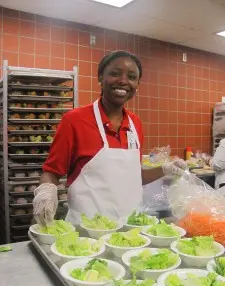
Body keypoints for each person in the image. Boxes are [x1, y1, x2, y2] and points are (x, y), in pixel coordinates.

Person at [33, 50, 186, 225]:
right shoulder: (75, 120)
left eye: (131, 77)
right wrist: (46, 190)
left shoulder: (135, 123)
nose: (123, 81)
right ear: (100, 78)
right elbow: (51, 172)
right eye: (115, 73)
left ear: (137, 85)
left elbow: (134, 177)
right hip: (87, 231)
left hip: (131, 229)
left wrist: (165, 170)